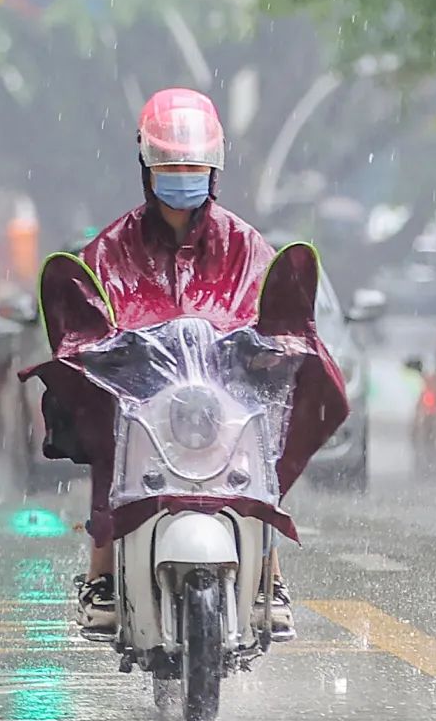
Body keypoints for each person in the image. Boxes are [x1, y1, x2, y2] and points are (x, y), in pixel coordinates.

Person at [73, 87, 295, 636]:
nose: (181, 175)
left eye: (192, 164)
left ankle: (271, 574)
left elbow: (276, 315)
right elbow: (89, 315)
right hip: (146, 403)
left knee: (261, 452)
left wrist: (274, 353)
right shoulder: (110, 250)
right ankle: (101, 574)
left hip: (222, 401)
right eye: (170, 163)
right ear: (147, 165)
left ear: (214, 167)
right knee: (109, 446)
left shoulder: (246, 245)